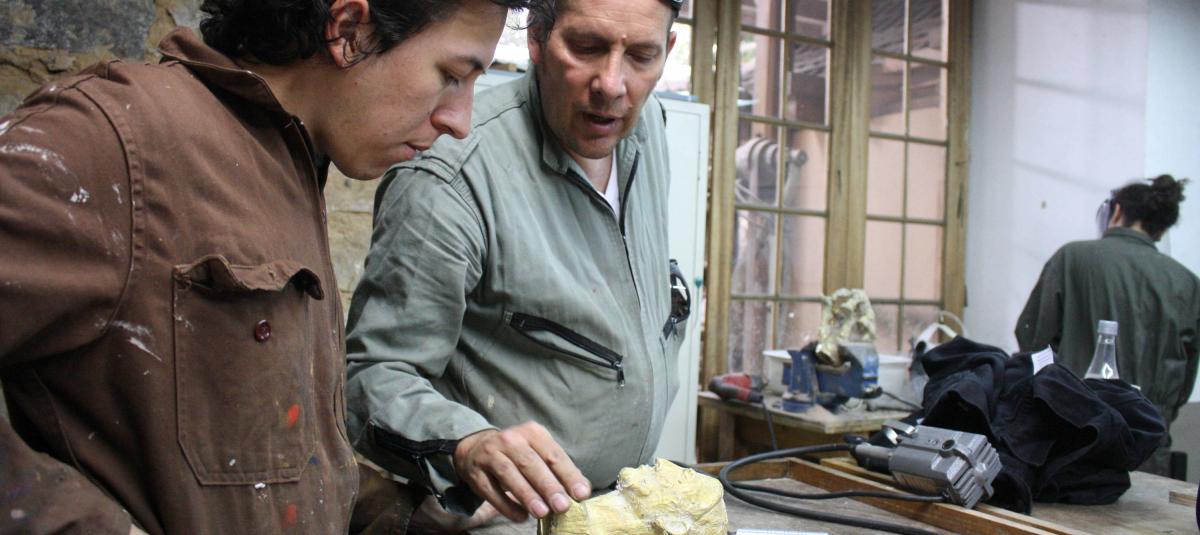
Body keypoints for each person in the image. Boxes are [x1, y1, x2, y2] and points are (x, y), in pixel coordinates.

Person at [0, 0, 540, 533]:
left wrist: (405, 518)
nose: (460, 121)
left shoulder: (288, 165)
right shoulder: (117, 142)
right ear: (350, 31)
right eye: (452, 76)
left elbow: (256, 463)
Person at [344, 0, 688, 526]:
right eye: (586, 47)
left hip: (623, 510)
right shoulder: (451, 177)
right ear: (536, 39)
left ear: (667, 51)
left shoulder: (647, 129)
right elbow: (372, 377)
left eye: (641, 55)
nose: (612, 85)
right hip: (507, 521)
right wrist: (469, 444)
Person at [1016, 174, 1199, 476]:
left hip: (1071, 439)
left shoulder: (1072, 258)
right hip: (1147, 446)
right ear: (1162, 227)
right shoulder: (1187, 283)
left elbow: (1033, 340)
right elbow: (1185, 377)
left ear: (1116, 212)